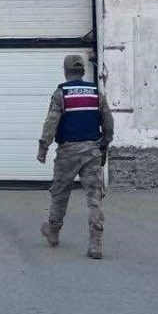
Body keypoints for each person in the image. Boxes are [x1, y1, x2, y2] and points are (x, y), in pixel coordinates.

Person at [38, 55, 114, 259]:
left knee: (60, 193)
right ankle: (96, 244)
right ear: (82, 72)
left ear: (65, 71)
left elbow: (51, 122)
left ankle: (53, 232)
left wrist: (43, 147)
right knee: (94, 199)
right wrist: (105, 142)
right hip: (92, 151)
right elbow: (107, 120)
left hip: (68, 152)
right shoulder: (96, 92)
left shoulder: (61, 93)